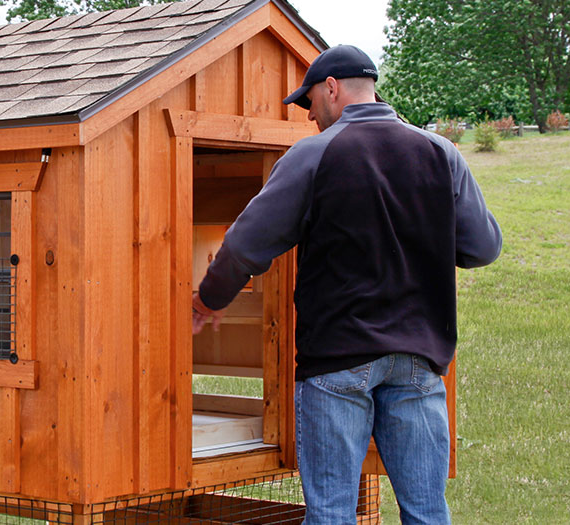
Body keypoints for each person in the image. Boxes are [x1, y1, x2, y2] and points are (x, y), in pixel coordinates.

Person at [191, 45, 502, 524]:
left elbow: (245, 245)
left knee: (333, 513)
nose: (310, 115)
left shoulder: (314, 154)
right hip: (419, 360)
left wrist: (208, 299)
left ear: (332, 89)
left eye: (310, 101)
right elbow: (482, 247)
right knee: (426, 511)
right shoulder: (439, 152)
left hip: (337, 361)